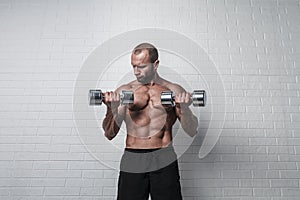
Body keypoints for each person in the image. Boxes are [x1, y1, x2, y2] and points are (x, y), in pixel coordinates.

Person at [102, 43, 199, 200]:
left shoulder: (173, 90)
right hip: (133, 158)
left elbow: (192, 130)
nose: (136, 72)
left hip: (164, 156)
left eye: (141, 66)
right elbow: (109, 133)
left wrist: (184, 108)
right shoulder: (125, 91)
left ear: (156, 64)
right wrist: (111, 108)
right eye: (133, 66)